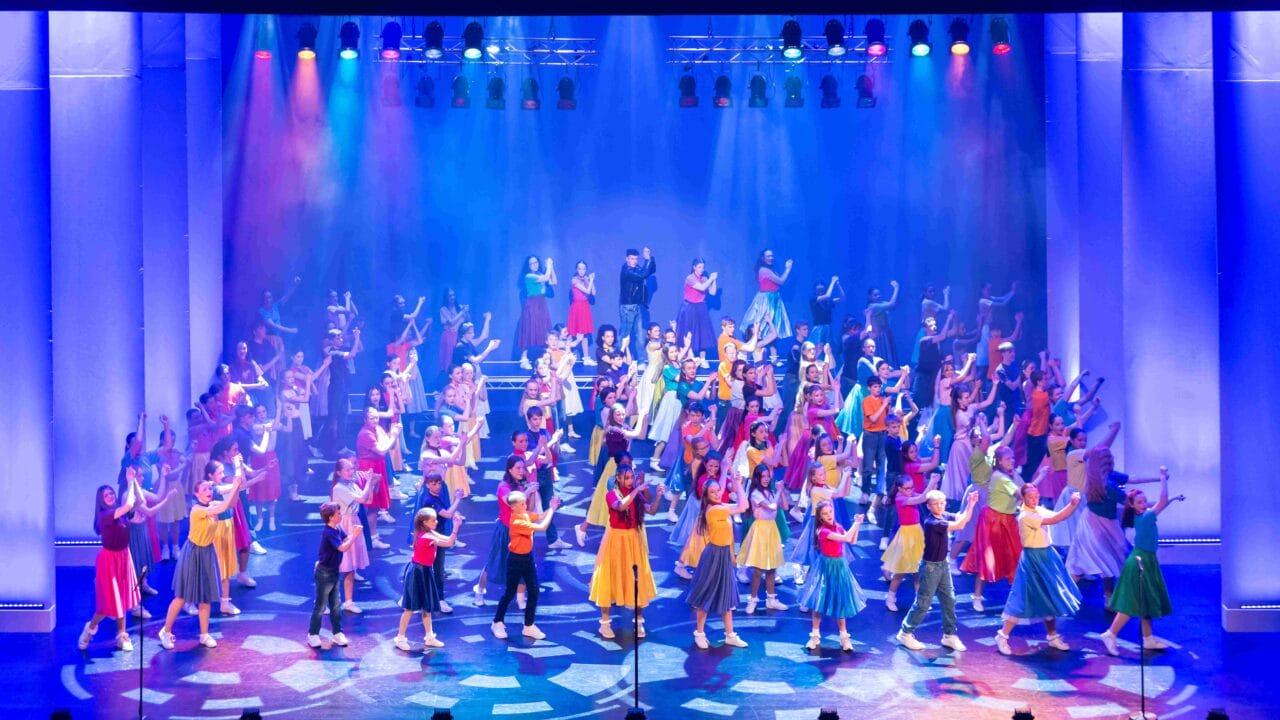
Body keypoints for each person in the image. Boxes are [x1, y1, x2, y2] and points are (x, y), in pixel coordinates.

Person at [158, 462, 243, 651]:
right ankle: (166, 630)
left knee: (205, 597)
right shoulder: (197, 510)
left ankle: (204, 634)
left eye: (210, 488)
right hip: (193, 553)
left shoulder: (212, 504)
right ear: (196, 494)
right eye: (205, 489)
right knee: (182, 596)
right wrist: (236, 485)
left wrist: (236, 487)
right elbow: (222, 509)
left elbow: (232, 503)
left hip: (207, 553)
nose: (209, 491)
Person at [1100, 468, 1182, 656]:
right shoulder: (1145, 518)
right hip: (1140, 562)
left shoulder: (1143, 516)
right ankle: (1110, 634)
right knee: (1132, 604)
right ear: (1133, 506)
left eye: (1145, 501)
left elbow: (1159, 506)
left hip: (1147, 560)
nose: (1144, 504)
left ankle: (1148, 638)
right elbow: (1160, 502)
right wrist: (1162, 478)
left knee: (1146, 603)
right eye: (1140, 502)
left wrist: (1173, 499)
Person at [994, 484, 1084, 655]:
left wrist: (1073, 505)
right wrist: (1072, 504)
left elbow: (1058, 515)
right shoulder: (1026, 516)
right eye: (1030, 497)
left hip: (1047, 557)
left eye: (1036, 496)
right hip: (1033, 560)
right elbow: (1055, 519)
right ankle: (1002, 635)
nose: (1034, 500)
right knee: (1022, 598)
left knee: (1048, 596)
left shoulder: (1038, 510)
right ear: (1023, 498)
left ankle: (1052, 636)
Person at [896, 489, 980, 652]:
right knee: (923, 603)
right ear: (928, 506)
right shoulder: (932, 523)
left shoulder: (943, 516)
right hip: (930, 568)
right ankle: (905, 632)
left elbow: (962, 518)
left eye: (942, 503)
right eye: (936, 504)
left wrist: (971, 503)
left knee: (949, 599)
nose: (940, 506)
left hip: (943, 565)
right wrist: (970, 504)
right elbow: (960, 525)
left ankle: (949, 635)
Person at [589, 464, 663, 639]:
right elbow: (620, 506)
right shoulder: (611, 494)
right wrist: (637, 490)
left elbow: (651, 510)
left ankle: (638, 622)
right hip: (616, 540)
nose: (630, 481)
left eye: (632, 477)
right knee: (609, 578)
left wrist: (658, 496)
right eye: (627, 478)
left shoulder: (635, 496)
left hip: (633, 540)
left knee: (636, 580)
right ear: (618, 479)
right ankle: (604, 624)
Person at [687, 472, 751, 650]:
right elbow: (743, 506)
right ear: (707, 496)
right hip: (713, 556)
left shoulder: (721, 506)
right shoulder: (714, 510)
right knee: (706, 595)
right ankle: (699, 633)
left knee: (727, 595)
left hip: (724, 555)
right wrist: (738, 485)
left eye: (718, 490)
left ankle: (730, 634)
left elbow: (743, 505)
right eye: (713, 492)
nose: (716, 494)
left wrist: (738, 484)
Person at [78, 483, 142, 652]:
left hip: (123, 556)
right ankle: (89, 630)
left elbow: (137, 505)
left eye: (112, 493)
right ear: (101, 500)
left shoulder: (120, 513)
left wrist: (134, 483)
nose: (111, 496)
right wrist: (130, 481)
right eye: (106, 495)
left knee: (121, 599)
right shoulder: (105, 515)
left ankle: (122, 635)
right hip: (109, 560)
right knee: (109, 603)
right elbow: (128, 505)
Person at [491, 491, 562, 641]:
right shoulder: (517, 521)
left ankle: (529, 625)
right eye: (522, 504)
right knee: (509, 593)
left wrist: (550, 507)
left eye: (525, 503)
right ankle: (497, 622)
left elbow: (541, 516)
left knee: (534, 590)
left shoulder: (525, 514)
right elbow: (542, 527)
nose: (525, 505)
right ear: (513, 507)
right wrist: (553, 510)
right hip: (515, 560)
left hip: (528, 559)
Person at [394, 507, 463, 652]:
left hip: (425, 571)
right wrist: (456, 527)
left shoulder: (428, 532)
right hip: (418, 573)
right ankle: (400, 638)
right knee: (410, 608)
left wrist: (453, 530)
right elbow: (449, 542)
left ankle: (429, 636)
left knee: (426, 606)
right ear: (424, 522)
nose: (436, 521)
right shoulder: (426, 537)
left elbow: (446, 539)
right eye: (433, 520)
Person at [800, 503, 866, 652]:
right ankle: (815, 636)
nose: (829, 515)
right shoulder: (822, 531)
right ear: (820, 517)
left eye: (830, 511)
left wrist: (858, 524)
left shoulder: (838, 526)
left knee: (840, 601)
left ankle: (844, 637)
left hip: (839, 566)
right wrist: (855, 523)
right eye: (825, 513)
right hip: (826, 567)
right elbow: (847, 537)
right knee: (820, 601)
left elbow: (852, 540)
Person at [306, 501, 361, 649]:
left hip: (334, 571)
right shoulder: (328, 532)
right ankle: (313, 634)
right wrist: (355, 536)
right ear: (331, 517)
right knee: (321, 605)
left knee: (336, 605)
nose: (340, 515)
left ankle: (337, 633)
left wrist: (352, 535)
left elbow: (345, 539)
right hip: (324, 573)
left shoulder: (337, 528)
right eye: (338, 513)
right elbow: (343, 547)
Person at [881, 474, 939, 612]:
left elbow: (927, 496)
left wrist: (934, 484)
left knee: (918, 571)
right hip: (906, 536)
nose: (910, 490)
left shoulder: (909, 494)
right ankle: (890, 598)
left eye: (911, 487)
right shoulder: (900, 498)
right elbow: (921, 498)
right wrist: (931, 482)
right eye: (907, 488)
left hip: (916, 533)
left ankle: (920, 600)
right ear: (899, 489)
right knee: (901, 571)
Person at [737, 465, 788, 615]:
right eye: (763, 476)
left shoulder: (771, 492)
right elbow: (772, 507)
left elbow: (784, 506)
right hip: (760, 530)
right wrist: (779, 492)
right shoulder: (755, 494)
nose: (766, 479)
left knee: (772, 568)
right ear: (757, 478)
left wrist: (781, 492)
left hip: (771, 529)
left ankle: (771, 599)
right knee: (759, 569)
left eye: (767, 476)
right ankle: (752, 599)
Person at [330, 457, 375, 614]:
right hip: (344, 525)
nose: (352, 471)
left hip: (354, 521)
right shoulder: (339, 488)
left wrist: (372, 483)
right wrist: (369, 480)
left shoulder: (352, 484)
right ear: (339, 472)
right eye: (348, 469)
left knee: (350, 567)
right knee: (338, 566)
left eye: (352, 469)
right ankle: (324, 600)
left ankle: (348, 602)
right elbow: (362, 498)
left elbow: (367, 499)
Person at [517, 256, 557, 370]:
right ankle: (524, 359)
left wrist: (551, 267)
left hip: (541, 304)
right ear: (528, 266)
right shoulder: (529, 276)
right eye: (532, 263)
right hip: (532, 304)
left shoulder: (539, 273)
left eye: (536, 262)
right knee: (529, 329)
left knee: (543, 329)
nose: (535, 264)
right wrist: (548, 266)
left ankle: (545, 359)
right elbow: (545, 278)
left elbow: (554, 282)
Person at [742, 249, 793, 339]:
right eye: (768, 256)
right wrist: (788, 269)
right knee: (764, 324)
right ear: (763, 258)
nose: (771, 258)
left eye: (772, 256)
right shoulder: (763, 270)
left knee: (774, 324)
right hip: (767, 299)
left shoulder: (770, 270)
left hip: (774, 298)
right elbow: (781, 281)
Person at [677, 258, 718, 362]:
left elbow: (712, 293)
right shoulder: (690, 278)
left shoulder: (704, 278)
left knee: (703, 333)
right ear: (694, 267)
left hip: (701, 307)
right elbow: (702, 288)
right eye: (699, 267)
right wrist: (710, 279)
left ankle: (702, 359)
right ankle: (689, 357)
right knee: (688, 332)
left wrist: (714, 280)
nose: (701, 269)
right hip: (689, 307)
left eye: (703, 267)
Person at [618, 247, 657, 356]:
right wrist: (647, 261)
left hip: (638, 306)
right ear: (627, 259)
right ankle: (618, 359)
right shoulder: (626, 270)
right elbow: (643, 275)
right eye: (632, 259)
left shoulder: (636, 268)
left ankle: (640, 360)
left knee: (640, 335)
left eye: (636, 259)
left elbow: (651, 271)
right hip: (628, 307)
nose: (634, 261)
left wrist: (649, 259)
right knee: (625, 335)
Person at [567, 262, 597, 364]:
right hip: (577, 307)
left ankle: (586, 357)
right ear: (576, 269)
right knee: (573, 332)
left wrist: (590, 281)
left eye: (583, 269)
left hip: (585, 307)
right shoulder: (574, 280)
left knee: (584, 333)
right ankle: (566, 354)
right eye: (579, 269)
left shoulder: (586, 279)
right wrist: (591, 280)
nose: (581, 271)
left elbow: (593, 292)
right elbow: (587, 292)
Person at [865, 280, 900, 365]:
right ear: (870, 297)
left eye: (879, 294)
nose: (878, 296)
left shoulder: (881, 303)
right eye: (875, 295)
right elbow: (891, 304)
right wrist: (896, 288)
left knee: (890, 358)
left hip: (886, 334)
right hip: (879, 337)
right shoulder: (873, 306)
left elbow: (893, 305)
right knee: (883, 359)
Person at [438, 288, 469, 374]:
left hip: (458, 335)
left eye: (453, 295)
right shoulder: (443, 309)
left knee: (459, 357)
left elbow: (466, 320)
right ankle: (448, 377)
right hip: (449, 336)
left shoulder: (458, 307)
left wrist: (466, 312)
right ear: (446, 297)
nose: (452, 297)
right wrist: (461, 313)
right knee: (448, 358)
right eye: (450, 295)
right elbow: (451, 322)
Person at [810, 276, 843, 351]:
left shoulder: (828, 301)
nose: (820, 286)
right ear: (815, 287)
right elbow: (827, 296)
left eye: (822, 284)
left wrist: (838, 285)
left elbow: (842, 298)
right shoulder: (813, 299)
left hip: (828, 329)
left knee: (830, 350)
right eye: (818, 284)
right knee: (818, 349)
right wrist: (832, 282)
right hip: (818, 329)